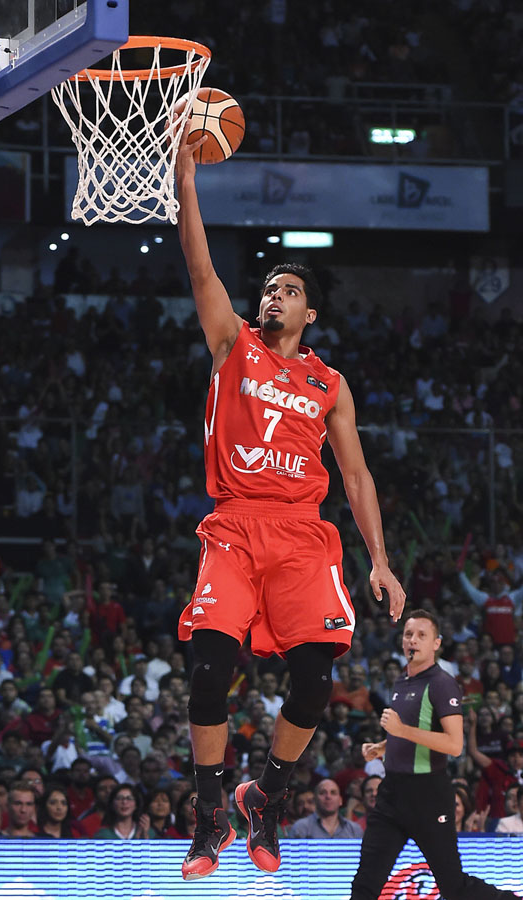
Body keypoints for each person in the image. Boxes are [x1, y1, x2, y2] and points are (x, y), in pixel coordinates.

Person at [173, 122, 405, 881]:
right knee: (210, 669)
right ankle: (212, 810)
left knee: (314, 681)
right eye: (270, 288)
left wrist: (380, 561)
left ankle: (265, 796)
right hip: (236, 525)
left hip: (304, 534)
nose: (274, 296)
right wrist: (186, 177)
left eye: (290, 291)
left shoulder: (329, 383)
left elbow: (357, 477)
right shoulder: (231, 343)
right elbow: (200, 263)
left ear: (311, 315)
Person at [349, 609, 519, 900]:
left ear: (436, 644)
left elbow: (454, 745)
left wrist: (401, 731)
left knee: (454, 887)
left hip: (428, 795)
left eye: (421, 635)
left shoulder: (442, 683)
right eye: (408, 634)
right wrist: (384, 746)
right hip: (392, 795)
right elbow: (412, 731)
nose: (413, 640)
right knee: (365, 883)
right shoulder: (401, 681)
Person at [288, 778, 363, 838]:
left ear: (340, 800)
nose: (328, 796)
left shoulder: (354, 829)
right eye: (322, 793)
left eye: (333, 793)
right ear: (315, 800)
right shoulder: (300, 828)